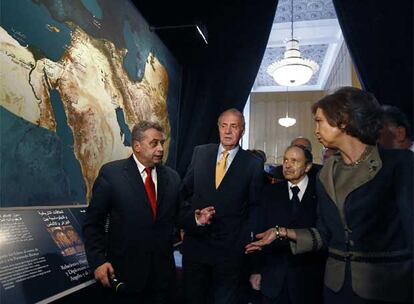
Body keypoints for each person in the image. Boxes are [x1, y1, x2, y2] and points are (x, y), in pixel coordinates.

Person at [246, 87, 413, 304]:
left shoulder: (399, 165)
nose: (315, 129)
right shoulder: (326, 172)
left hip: (386, 289)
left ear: (343, 121)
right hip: (335, 290)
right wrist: (281, 232)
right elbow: (325, 234)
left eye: (319, 121)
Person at [83, 121, 214, 304]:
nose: (160, 149)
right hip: (125, 276)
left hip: (162, 279)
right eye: (154, 143)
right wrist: (97, 261)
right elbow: (93, 224)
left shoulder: (172, 177)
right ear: (137, 146)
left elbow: (178, 215)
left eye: (162, 143)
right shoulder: (112, 175)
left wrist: (196, 219)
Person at [180, 108, 264, 304]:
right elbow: (183, 193)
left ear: (242, 130)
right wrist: (189, 222)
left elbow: (255, 207)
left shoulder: (252, 164)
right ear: (218, 128)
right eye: (224, 126)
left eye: (234, 126)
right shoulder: (200, 153)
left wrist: (245, 241)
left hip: (230, 252)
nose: (228, 131)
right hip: (196, 247)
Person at [249, 145, 325, 304]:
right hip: (273, 279)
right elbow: (259, 232)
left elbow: (324, 235)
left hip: (309, 280)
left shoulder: (321, 193)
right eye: (285, 160)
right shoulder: (269, 192)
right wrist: (256, 271)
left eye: (294, 161)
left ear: (308, 166)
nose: (288, 165)